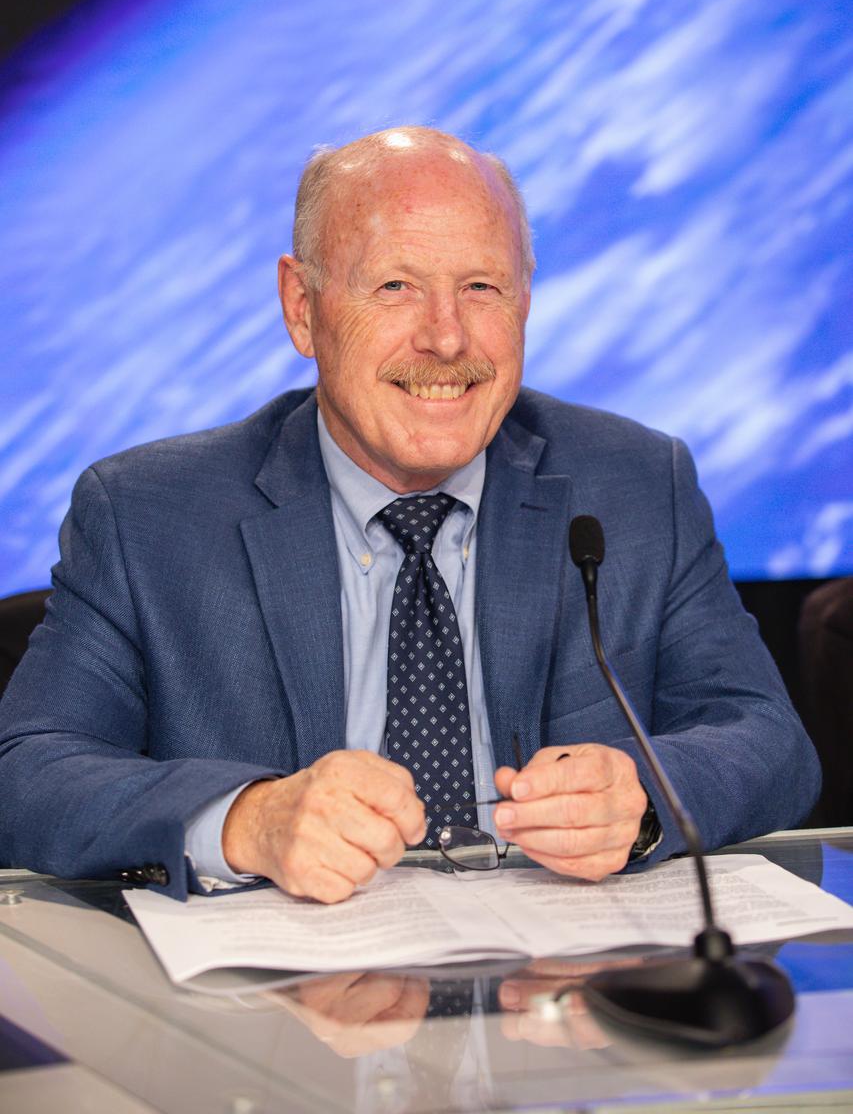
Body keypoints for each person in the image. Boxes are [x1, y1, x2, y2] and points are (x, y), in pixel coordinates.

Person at [0, 127, 820, 902]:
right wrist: (248, 818)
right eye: (395, 286)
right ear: (301, 306)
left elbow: (767, 742)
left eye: (481, 287)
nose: (446, 337)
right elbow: (27, 771)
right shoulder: (149, 515)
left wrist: (639, 797)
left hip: (562, 1004)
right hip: (280, 1019)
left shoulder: (637, 484)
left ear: (525, 300)